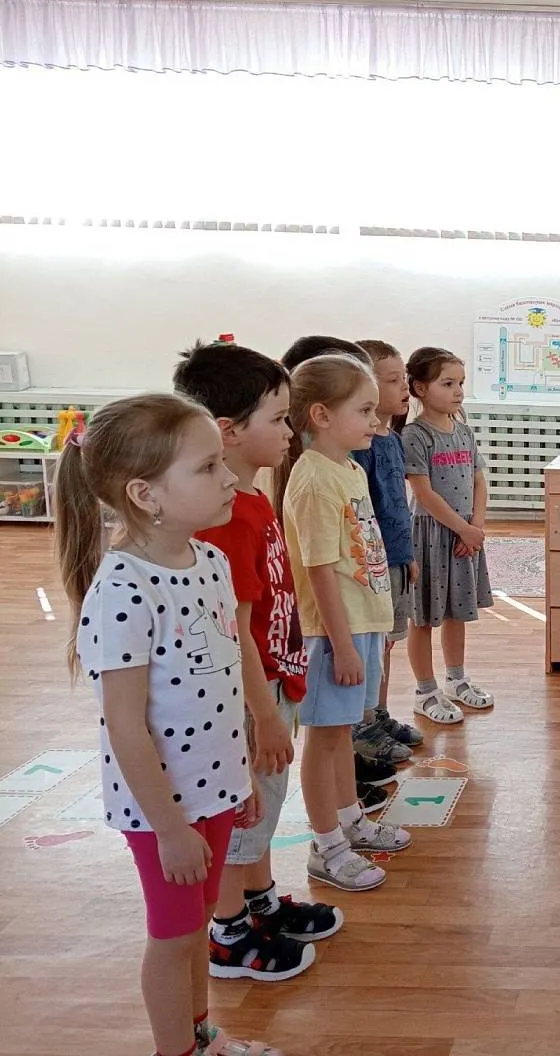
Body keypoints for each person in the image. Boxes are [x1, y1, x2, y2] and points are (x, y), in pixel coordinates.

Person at [56, 392, 284, 1056]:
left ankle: (201, 1035)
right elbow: (126, 728)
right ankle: (175, 1049)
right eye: (208, 467)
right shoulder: (123, 588)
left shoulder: (210, 562)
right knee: (174, 936)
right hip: (164, 812)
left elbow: (223, 682)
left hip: (212, 793)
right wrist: (169, 829)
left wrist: (237, 779)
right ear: (145, 494)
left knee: (196, 929)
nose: (230, 478)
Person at [174, 341, 343, 983]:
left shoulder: (250, 499)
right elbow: (235, 631)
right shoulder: (226, 517)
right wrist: (263, 715)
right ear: (229, 431)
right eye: (277, 418)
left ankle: (260, 900)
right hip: (250, 693)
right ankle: (229, 932)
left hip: (271, 682)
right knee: (241, 810)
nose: (289, 430)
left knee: (264, 806)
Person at [279, 354, 411, 892]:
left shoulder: (349, 468)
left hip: (360, 625)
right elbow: (319, 570)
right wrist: (344, 645)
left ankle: (350, 819)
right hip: (334, 632)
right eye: (364, 410)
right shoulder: (313, 479)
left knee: (340, 734)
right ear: (321, 415)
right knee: (326, 738)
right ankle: (326, 845)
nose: (376, 421)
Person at [403, 346, 495, 723]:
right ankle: (425, 691)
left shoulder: (464, 432)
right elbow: (424, 494)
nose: (458, 391)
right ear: (420, 388)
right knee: (423, 617)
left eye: (460, 383)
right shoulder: (415, 435)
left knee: (458, 611)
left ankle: (456, 680)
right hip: (430, 536)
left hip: (464, 537)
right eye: (447, 383)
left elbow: (479, 480)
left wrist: (475, 527)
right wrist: (463, 528)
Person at [352, 339, 435, 739]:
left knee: (387, 643)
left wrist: (407, 556)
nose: (405, 386)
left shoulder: (393, 439)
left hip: (396, 561)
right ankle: (365, 722)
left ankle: (379, 714)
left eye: (404, 378)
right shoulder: (360, 448)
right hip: (371, 566)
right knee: (374, 645)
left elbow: (398, 507)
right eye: (392, 380)